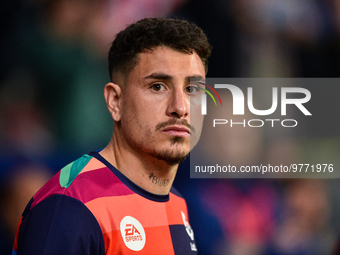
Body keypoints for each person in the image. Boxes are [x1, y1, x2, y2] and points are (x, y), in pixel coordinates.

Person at [12, 17, 212, 254]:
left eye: (192, 89)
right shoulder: (71, 207)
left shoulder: (177, 203)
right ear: (115, 101)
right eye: (158, 86)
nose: (180, 107)